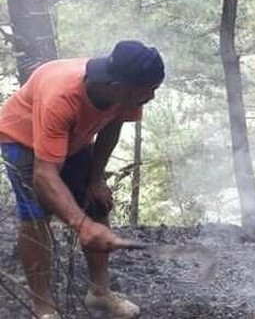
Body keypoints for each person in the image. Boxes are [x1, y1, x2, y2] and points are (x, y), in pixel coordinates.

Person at [0, 40, 165, 319]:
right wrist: (82, 225)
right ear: (116, 88)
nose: (151, 97)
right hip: (22, 139)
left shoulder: (128, 88)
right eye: (148, 91)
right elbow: (44, 174)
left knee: (97, 203)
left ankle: (99, 293)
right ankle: (43, 308)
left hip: (74, 138)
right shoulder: (61, 97)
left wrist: (96, 178)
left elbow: (112, 127)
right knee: (36, 216)